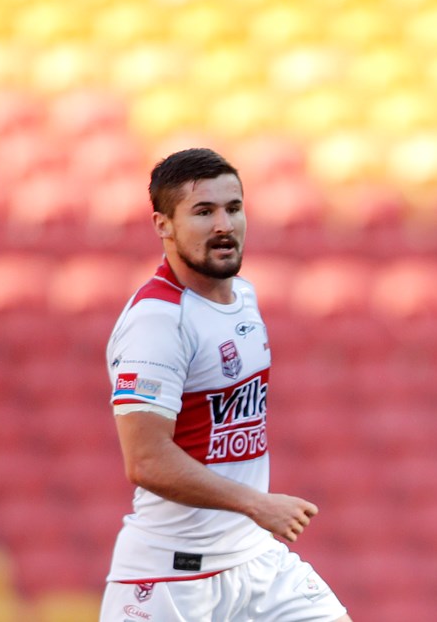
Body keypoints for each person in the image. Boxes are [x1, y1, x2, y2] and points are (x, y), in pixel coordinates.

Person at [100, 148, 349, 622]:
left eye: (233, 208)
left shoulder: (244, 296)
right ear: (163, 225)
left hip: (255, 560)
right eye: (203, 212)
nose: (223, 225)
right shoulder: (158, 321)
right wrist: (256, 504)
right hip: (174, 578)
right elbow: (146, 460)